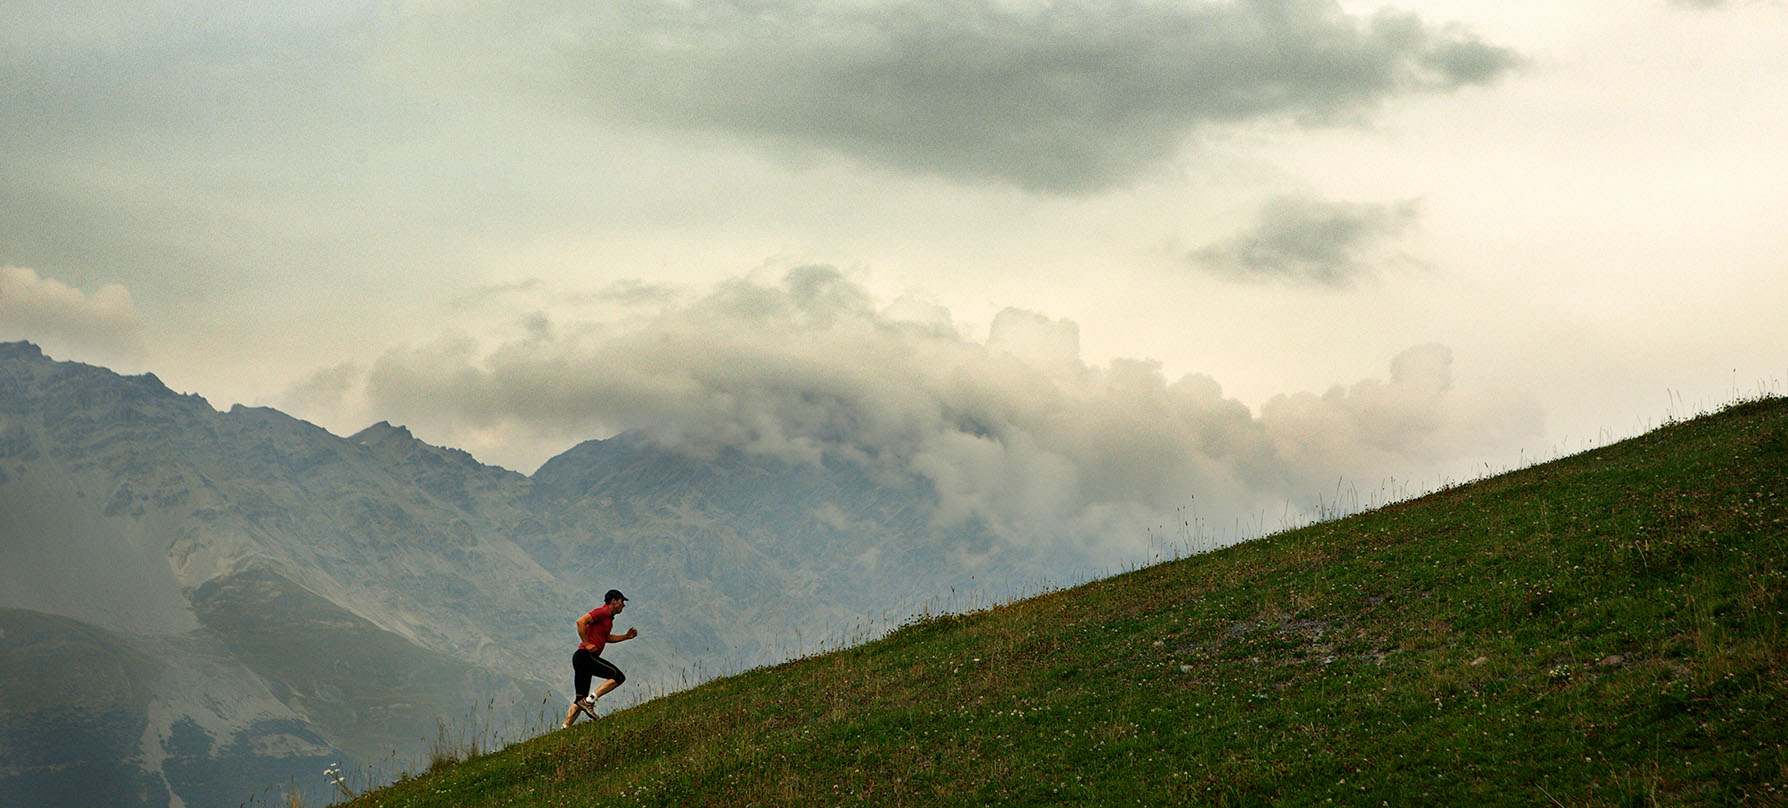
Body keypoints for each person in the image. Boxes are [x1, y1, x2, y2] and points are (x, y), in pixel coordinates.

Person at [562, 589, 639, 728]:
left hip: (581, 657)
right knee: (618, 676)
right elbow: (581, 622)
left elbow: (606, 638)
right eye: (622, 602)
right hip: (585, 655)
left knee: (579, 699)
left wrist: (626, 637)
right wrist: (587, 643)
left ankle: (564, 728)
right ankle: (590, 700)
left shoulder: (608, 620)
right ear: (614, 601)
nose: (623, 606)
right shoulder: (603, 612)